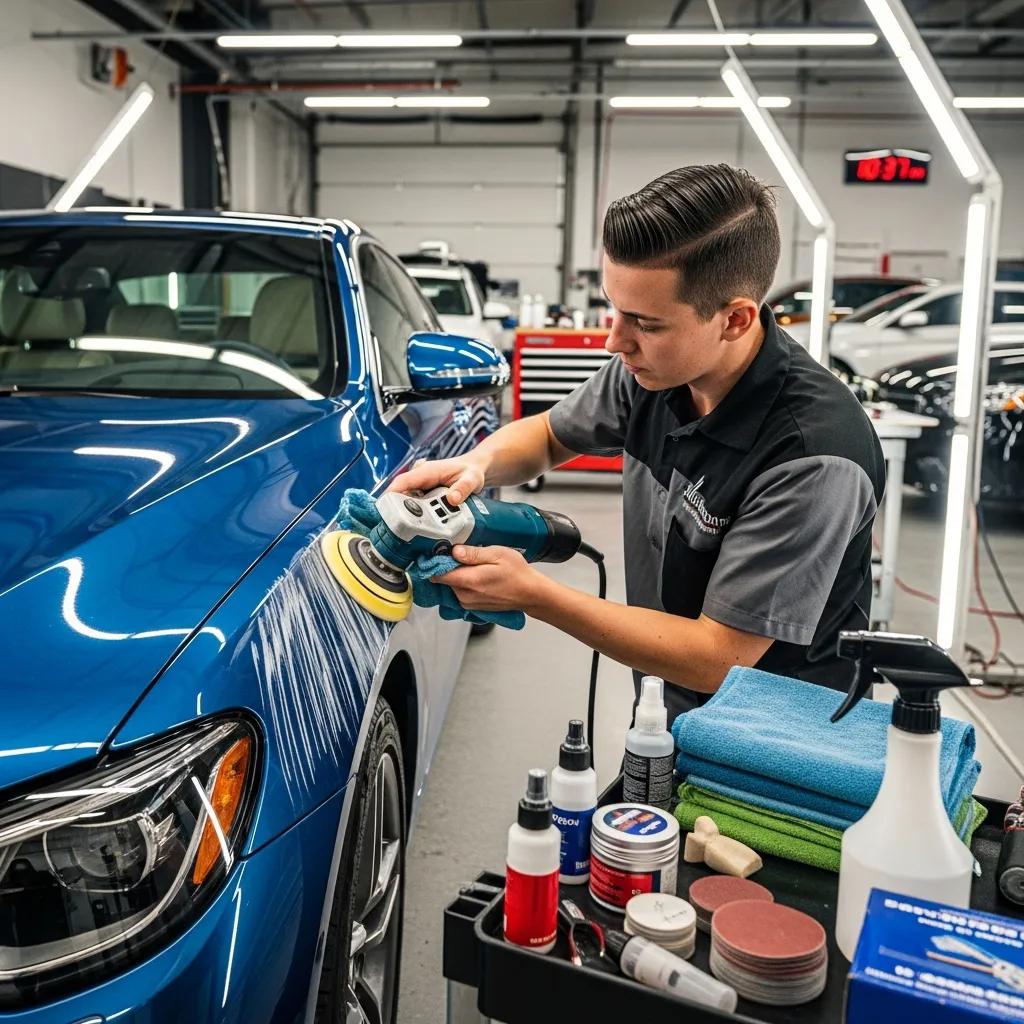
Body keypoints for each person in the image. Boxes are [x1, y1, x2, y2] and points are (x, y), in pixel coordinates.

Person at [389, 164, 886, 722]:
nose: (613, 340)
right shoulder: (654, 371)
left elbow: (718, 659)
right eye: (614, 307)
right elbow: (550, 435)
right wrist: (476, 464)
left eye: (645, 323)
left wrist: (535, 594)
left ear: (735, 320)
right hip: (667, 703)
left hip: (776, 749)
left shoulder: (812, 458)